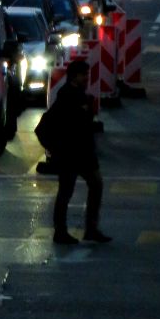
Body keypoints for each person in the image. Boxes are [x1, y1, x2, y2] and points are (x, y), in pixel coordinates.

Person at [35, 58, 110, 245]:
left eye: (87, 74)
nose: (87, 78)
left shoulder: (78, 95)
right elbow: (72, 125)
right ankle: (64, 231)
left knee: (92, 185)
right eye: (84, 75)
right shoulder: (68, 96)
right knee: (68, 191)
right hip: (71, 153)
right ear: (74, 77)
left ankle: (86, 229)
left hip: (81, 152)